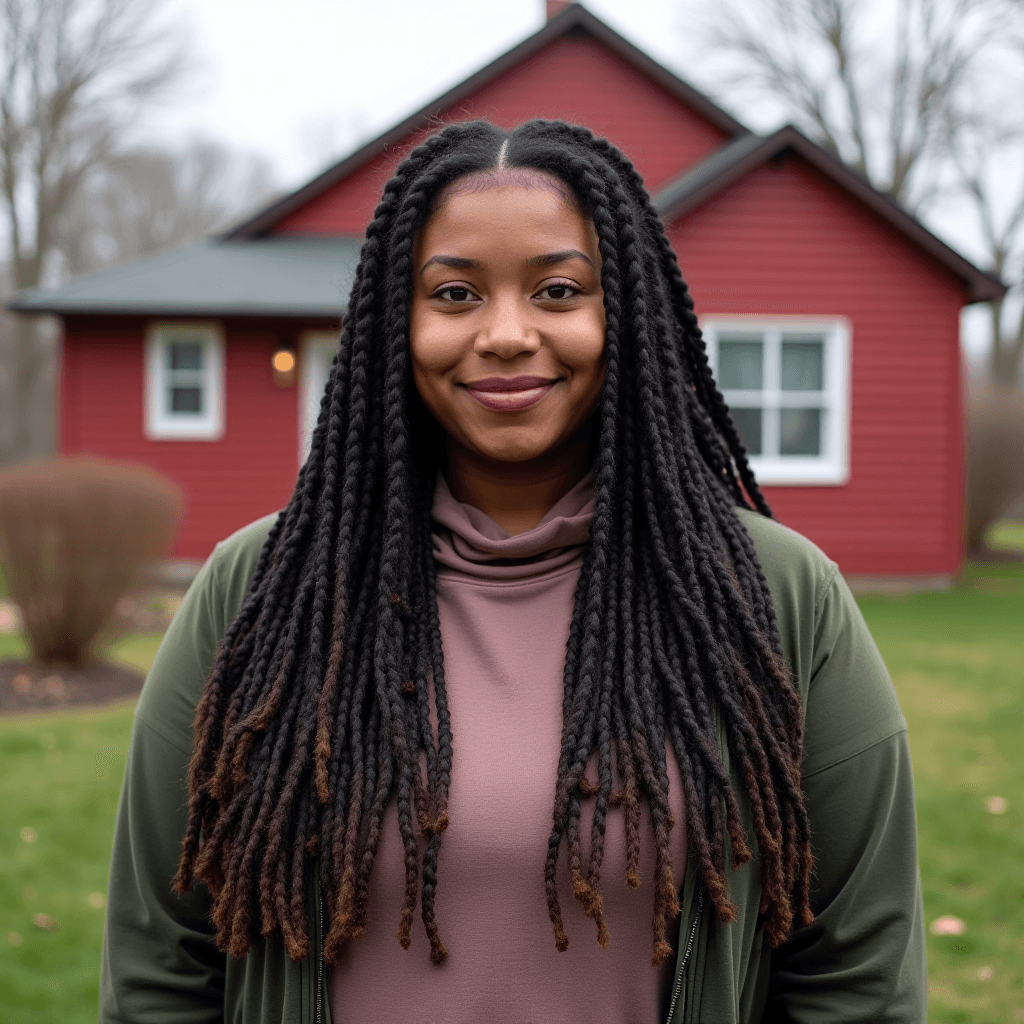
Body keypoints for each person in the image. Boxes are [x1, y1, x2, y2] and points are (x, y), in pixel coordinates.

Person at [100, 119, 926, 1023]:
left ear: (627, 316)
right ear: (395, 324)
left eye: (559, 290)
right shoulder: (259, 594)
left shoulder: (774, 596)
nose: (504, 334)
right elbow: (161, 967)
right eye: (454, 292)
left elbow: (858, 978)